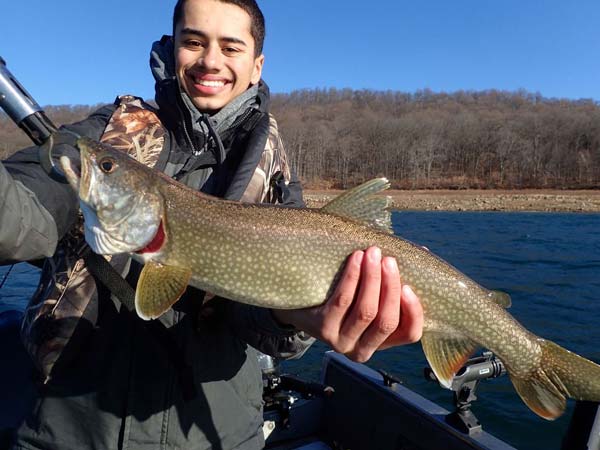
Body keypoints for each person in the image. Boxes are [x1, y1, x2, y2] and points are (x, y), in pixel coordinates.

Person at [0, 0, 423, 449]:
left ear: (256, 65)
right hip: (69, 432)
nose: (210, 61)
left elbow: (274, 335)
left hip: (215, 437)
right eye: (194, 41)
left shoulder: (276, 174)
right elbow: (22, 212)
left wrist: (294, 319)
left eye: (231, 47)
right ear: (172, 47)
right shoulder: (108, 135)